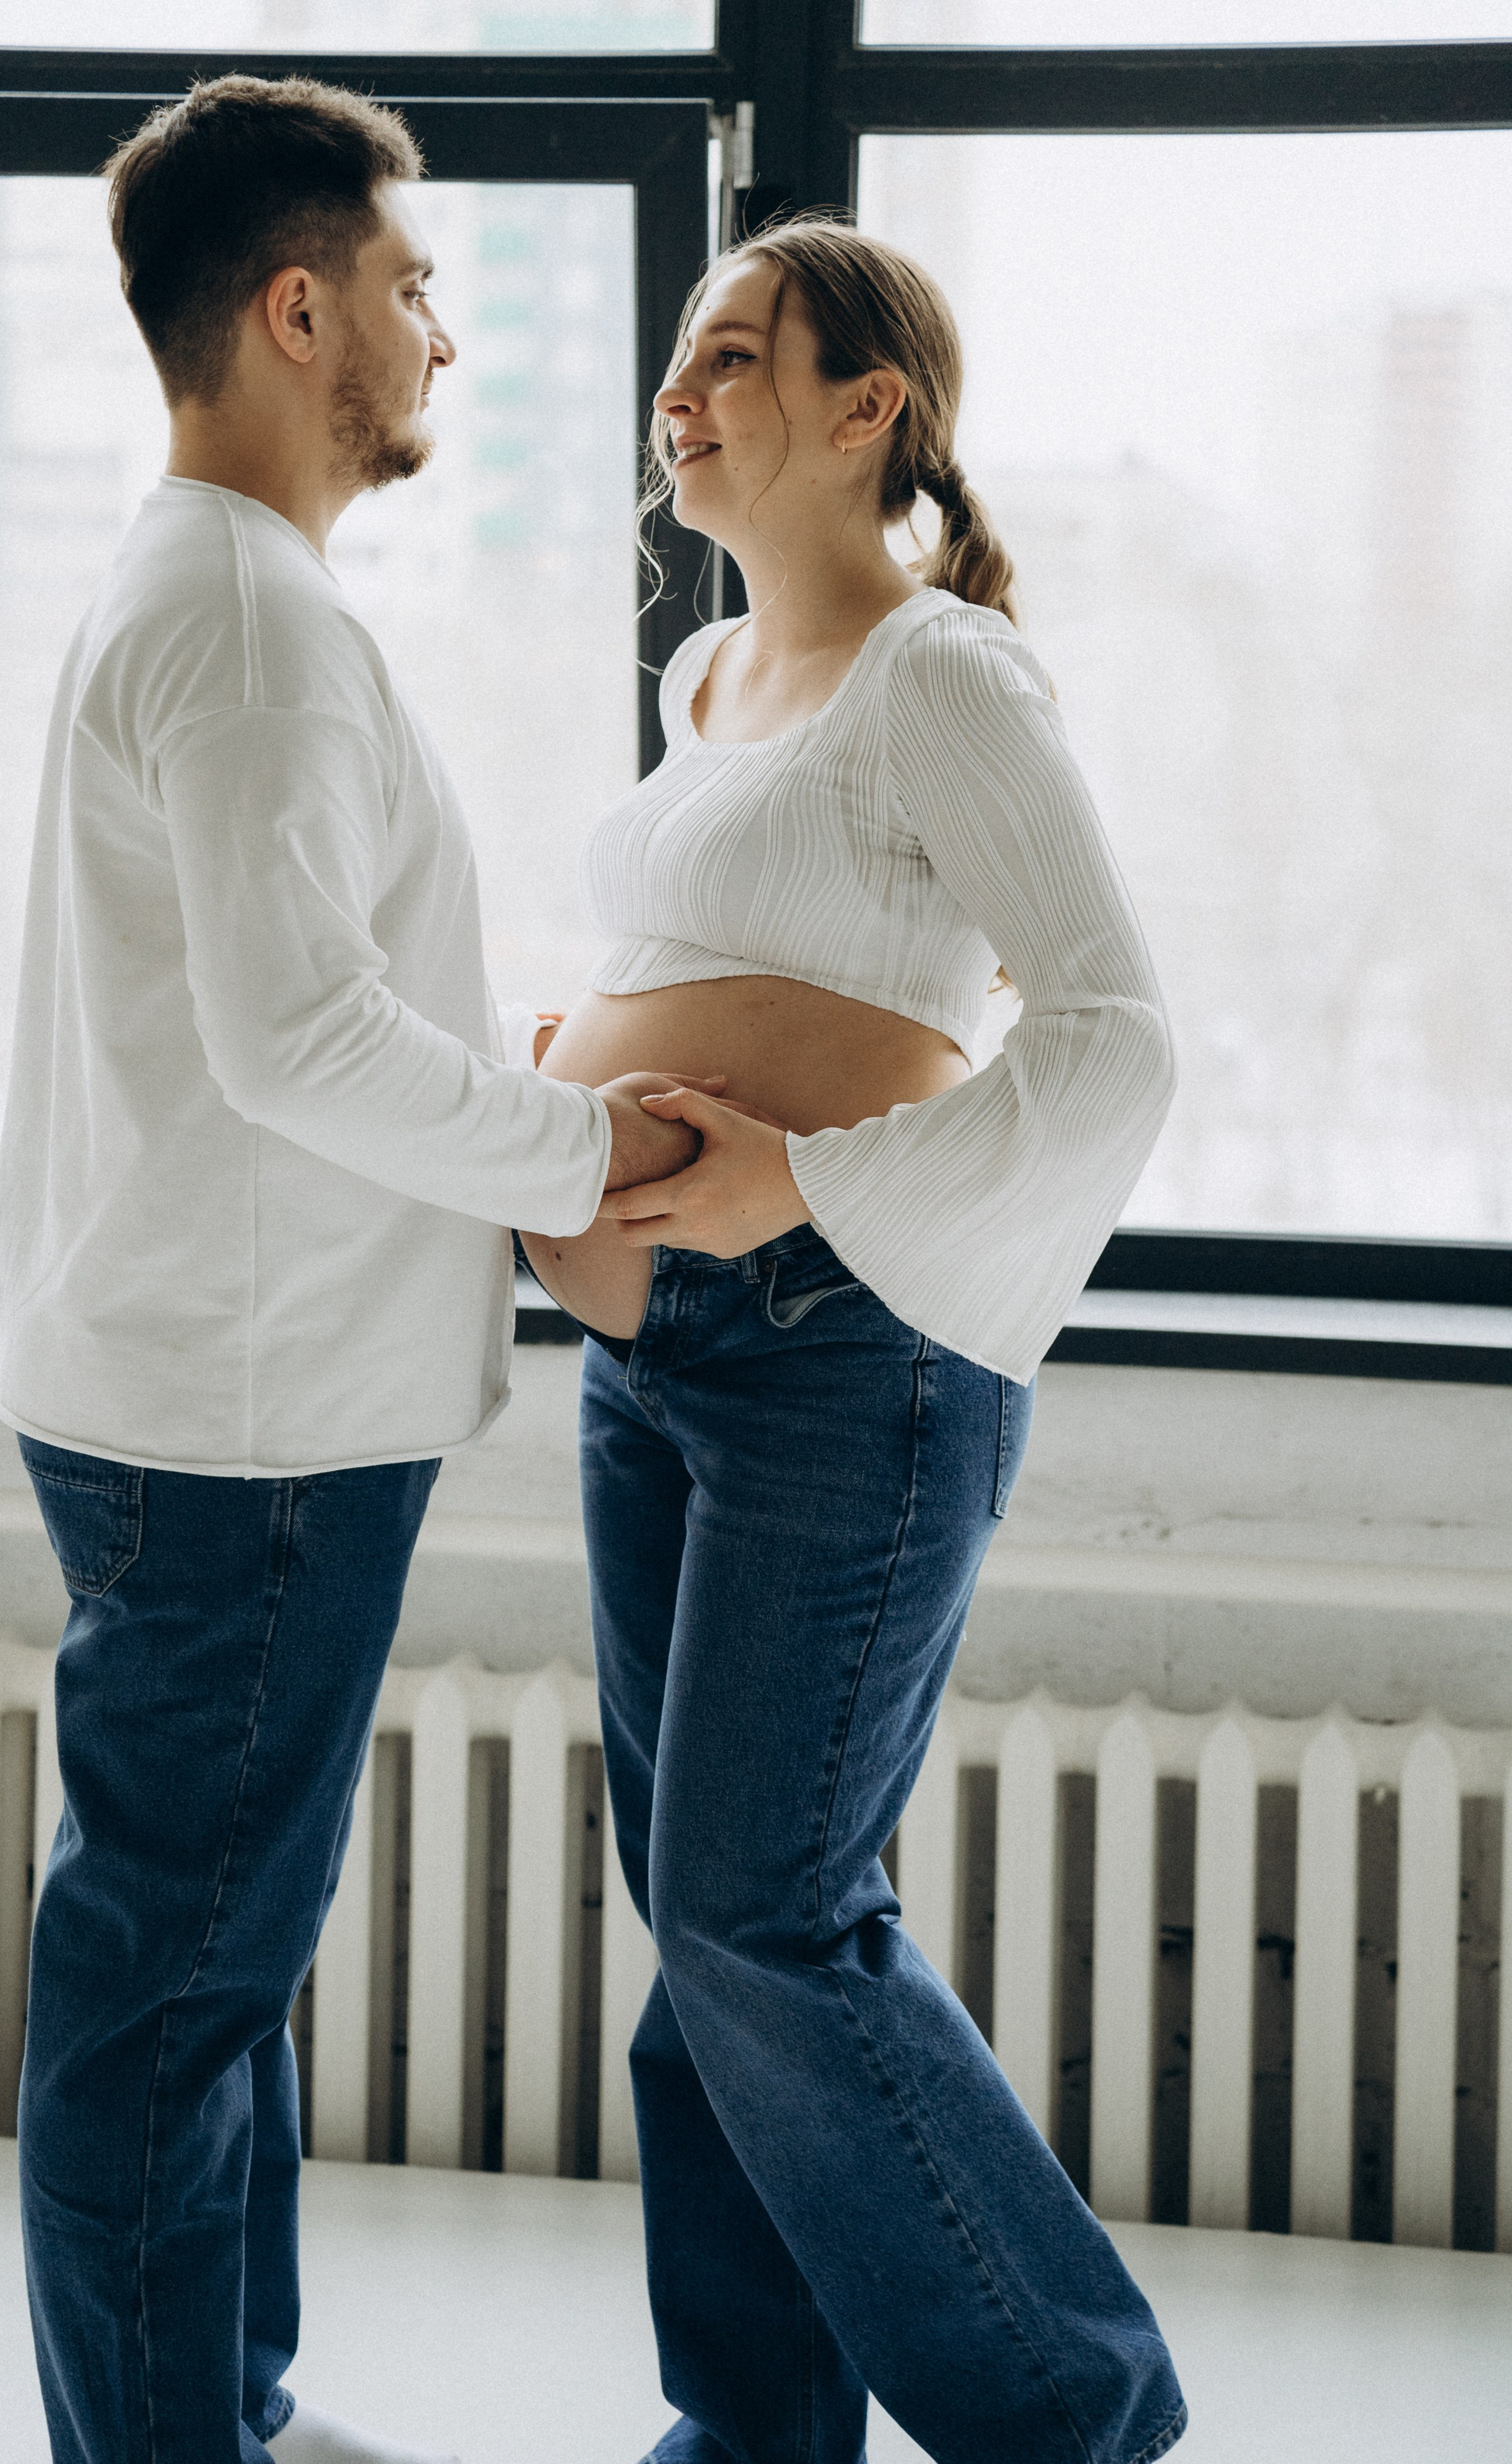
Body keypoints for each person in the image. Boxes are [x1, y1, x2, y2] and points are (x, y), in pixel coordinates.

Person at [0, 73, 708, 2464]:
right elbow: (298, 1041)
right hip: (248, 1427)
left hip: (203, 1388)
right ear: (297, 313)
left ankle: (232, 2407)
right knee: (176, 1997)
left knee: (209, 1973)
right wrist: (574, 1136)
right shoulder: (252, 624)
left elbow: (273, 1012)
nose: (442, 344)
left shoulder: (203, 589)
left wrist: (487, 1080)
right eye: (411, 293)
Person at [521, 221, 1187, 2463]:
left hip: (849, 1359)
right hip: (651, 1366)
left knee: (763, 1910)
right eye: (674, 363)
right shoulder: (710, 683)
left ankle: (1074, 2418)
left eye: (728, 354)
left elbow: (1114, 1042)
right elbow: (730, 969)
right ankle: (756, 2429)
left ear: (863, 403)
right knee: (701, 1937)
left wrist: (795, 1181)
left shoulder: (947, 679)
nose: (674, 393)